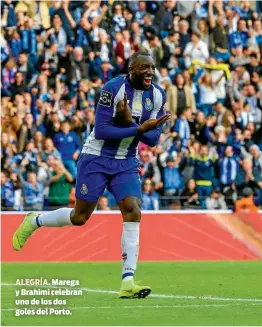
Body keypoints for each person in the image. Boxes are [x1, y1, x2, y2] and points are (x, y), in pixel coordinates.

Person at [12, 51, 171, 299]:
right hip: (96, 158)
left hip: (126, 161)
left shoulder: (158, 95)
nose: (149, 71)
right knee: (80, 217)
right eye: (143, 67)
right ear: (131, 69)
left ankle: (127, 281)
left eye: (151, 67)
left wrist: (133, 126)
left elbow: (152, 139)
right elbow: (102, 130)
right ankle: (34, 220)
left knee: (133, 209)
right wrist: (137, 127)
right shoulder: (113, 88)